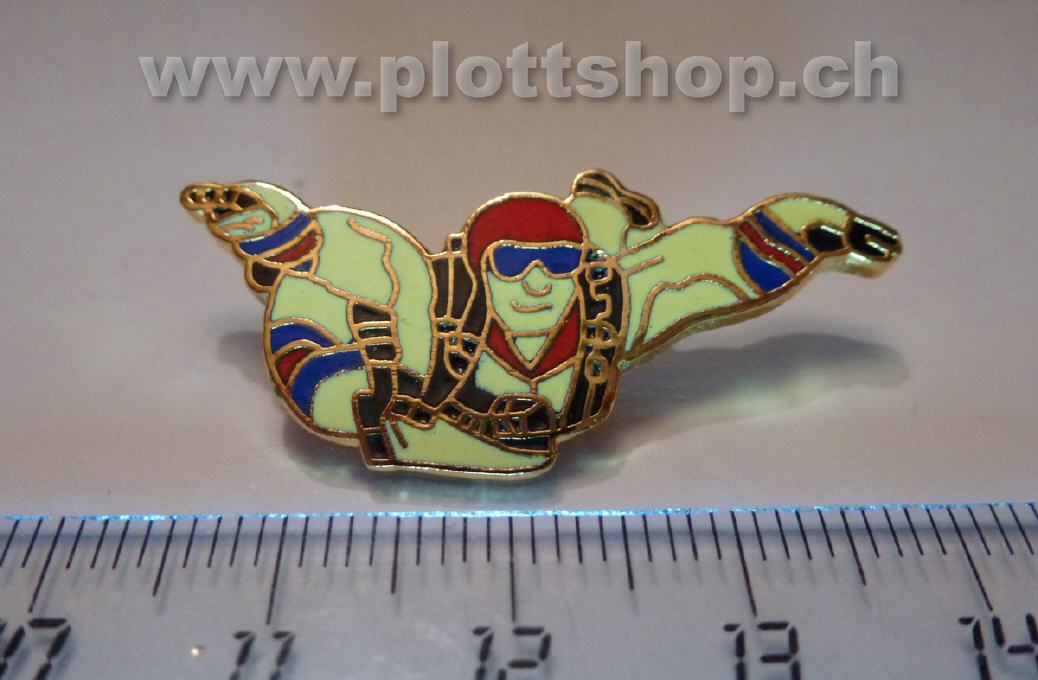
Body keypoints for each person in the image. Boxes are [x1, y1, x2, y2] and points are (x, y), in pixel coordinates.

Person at [181, 170, 900, 477]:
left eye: (555, 264)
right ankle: (599, 206)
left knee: (614, 246)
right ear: (478, 268)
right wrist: (281, 231)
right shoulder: (432, 307)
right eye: (513, 264)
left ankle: (600, 208)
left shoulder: (610, 303)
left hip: (593, 277)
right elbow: (376, 254)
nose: (535, 283)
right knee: (335, 393)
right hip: (330, 334)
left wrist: (814, 228)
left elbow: (710, 266)